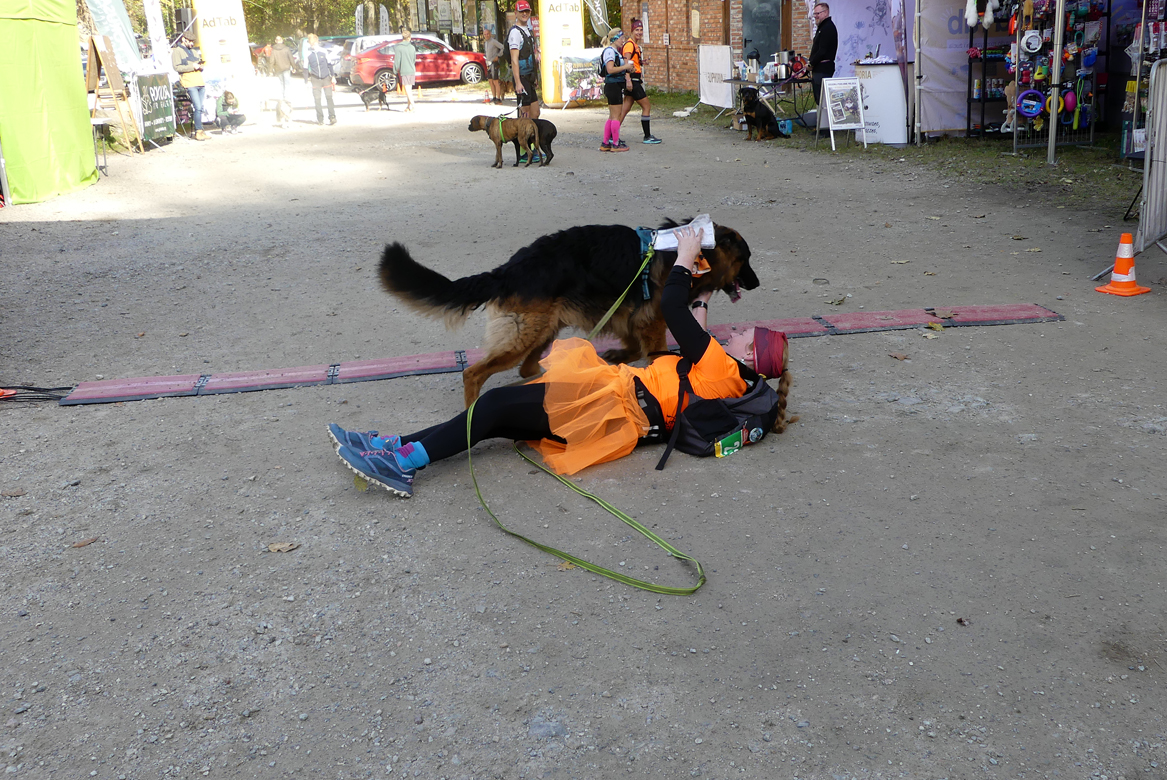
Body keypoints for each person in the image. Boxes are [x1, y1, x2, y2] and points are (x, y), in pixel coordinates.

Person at [327, 227, 792, 498]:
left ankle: (401, 462)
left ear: (750, 356)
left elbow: (673, 310)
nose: (736, 332)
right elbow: (695, 321)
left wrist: (686, 261)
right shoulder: (729, 375)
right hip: (615, 404)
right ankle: (390, 446)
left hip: (609, 408)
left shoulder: (720, 365)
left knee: (494, 408)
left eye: (745, 336)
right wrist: (705, 288)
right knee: (497, 417)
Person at [620, 21, 662, 144]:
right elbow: (626, 63)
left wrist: (641, 62)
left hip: (634, 79)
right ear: (632, 31)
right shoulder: (629, 45)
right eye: (636, 30)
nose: (639, 32)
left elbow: (632, 62)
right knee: (646, 106)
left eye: (641, 30)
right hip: (633, 80)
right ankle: (647, 136)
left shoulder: (634, 45)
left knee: (624, 109)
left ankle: (612, 135)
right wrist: (628, 79)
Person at [598, 27, 634, 152]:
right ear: (614, 39)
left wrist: (628, 69)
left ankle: (605, 143)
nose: (623, 41)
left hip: (614, 85)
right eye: (621, 38)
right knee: (616, 116)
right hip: (613, 85)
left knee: (612, 115)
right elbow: (610, 69)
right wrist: (625, 67)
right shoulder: (610, 51)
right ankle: (615, 144)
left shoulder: (614, 51)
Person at [171, 34, 208, 141]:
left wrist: (200, 66)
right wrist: (192, 66)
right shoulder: (177, 51)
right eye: (190, 41)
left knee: (200, 108)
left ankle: (201, 130)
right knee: (198, 107)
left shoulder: (194, 51)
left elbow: (200, 64)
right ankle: (198, 132)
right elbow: (177, 67)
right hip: (189, 83)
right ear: (184, 39)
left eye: (193, 41)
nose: (192, 43)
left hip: (200, 82)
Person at [508, 0, 541, 120]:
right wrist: (518, 82)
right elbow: (514, 59)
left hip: (530, 77)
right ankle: (522, 133)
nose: (524, 14)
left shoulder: (528, 30)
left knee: (535, 113)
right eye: (521, 11)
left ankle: (532, 133)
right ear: (516, 13)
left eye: (526, 11)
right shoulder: (515, 33)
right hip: (521, 77)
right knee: (525, 113)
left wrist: (534, 77)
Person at [303, 34, 337, 125]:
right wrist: (306, 81)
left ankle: (332, 117)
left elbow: (329, 64)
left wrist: (333, 76)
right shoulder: (308, 54)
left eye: (314, 43)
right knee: (317, 99)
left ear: (317, 42)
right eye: (311, 43)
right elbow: (305, 69)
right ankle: (320, 119)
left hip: (326, 78)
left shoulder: (324, 51)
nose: (313, 45)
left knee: (329, 97)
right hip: (315, 79)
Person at [809, 2, 837, 107]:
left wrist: (811, 64)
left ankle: (824, 117)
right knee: (819, 98)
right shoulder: (822, 27)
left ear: (826, 12)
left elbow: (822, 51)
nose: (815, 16)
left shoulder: (828, 28)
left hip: (823, 69)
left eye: (818, 13)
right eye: (814, 14)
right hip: (819, 68)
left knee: (822, 99)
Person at [270, 35, 295, 127]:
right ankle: (286, 97)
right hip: (286, 68)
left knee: (281, 83)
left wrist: (270, 70)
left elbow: (271, 60)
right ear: (282, 40)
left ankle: (282, 96)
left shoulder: (274, 50)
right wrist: (294, 67)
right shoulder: (286, 49)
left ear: (276, 41)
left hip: (278, 68)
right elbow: (291, 58)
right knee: (287, 83)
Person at [393, 29, 418, 111]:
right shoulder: (412, 47)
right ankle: (408, 106)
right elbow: (414, 60)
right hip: (412, 69)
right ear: (409, 37)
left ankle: (413, 106)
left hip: (404, 70)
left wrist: (394, 71)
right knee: (409, 89)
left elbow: (397, 61)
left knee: (407, 89)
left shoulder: (399, 48)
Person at [483, 27, 506, 104]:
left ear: (490, 34)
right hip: (488, 63)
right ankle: (494, 97)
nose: (486, 35)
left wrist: (498, 56)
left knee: (496, 81)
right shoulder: (486, 43)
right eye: (485, 34)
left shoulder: (493, 41)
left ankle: (498, 99)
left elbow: (502, 47)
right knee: (490, 81)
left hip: (494, 63)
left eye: (488, 34)